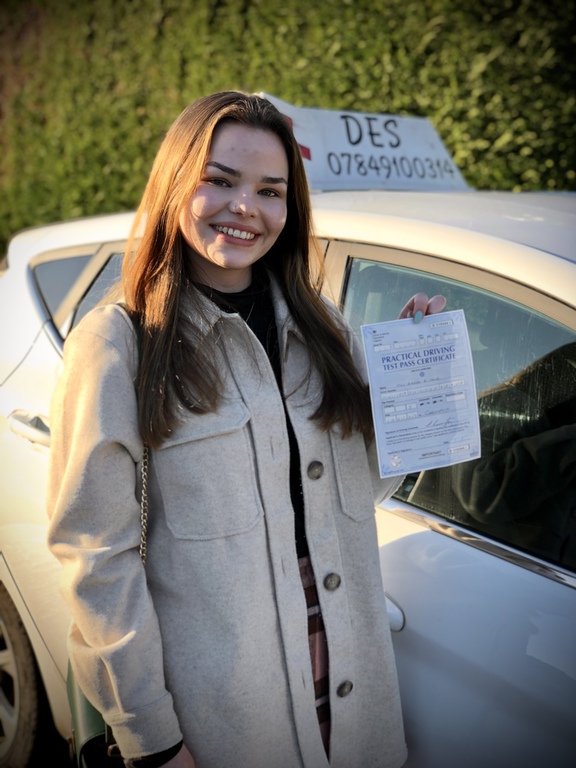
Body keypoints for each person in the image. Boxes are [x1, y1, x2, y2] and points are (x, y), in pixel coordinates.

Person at [47, 91, 445, 768]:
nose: (245, 208)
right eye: (220, 181)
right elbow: (97, 560)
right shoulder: (118, 345)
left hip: (353, 696)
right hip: (224, 717)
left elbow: (357, 495)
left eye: (269, 191)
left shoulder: (324, 328)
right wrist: (153, 739)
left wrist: (414, 391)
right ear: (176, 184)